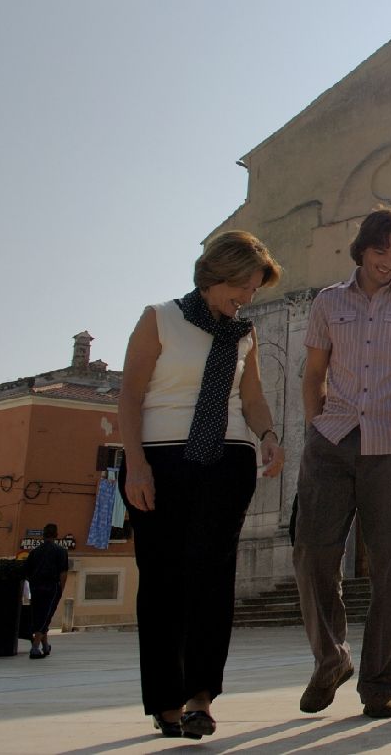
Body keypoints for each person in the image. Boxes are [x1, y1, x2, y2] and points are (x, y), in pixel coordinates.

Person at [119, 230, 287, 739]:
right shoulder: (159, 318)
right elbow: (129, 396)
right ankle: (165, 697)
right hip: (163, 459)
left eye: (255, 289)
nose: (248, 297)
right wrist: (136, 467)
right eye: (243, 286)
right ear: (216, 275)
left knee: (212, 581)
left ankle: (200, 697)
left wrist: (269, 434)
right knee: (164, 581)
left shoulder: (244, 333)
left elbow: (252, 396)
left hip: (229, 460)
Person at [294, 205, 391, 720]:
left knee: (389, 567)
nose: (389, 261)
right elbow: (313, 371)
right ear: (362, 250)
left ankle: (381, 686)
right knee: (313, 552)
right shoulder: (328, 302)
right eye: (381, 250)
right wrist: (315, 427)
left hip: (390, 446)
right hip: (332, 440)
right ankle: (332, 657)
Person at [24, 523, 68, 660]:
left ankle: (46, 646)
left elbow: (28, 572)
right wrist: (61, 589)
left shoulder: (34, 552)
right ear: (56, 535)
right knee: (46, 616)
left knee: (39, 614)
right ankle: (35, 647)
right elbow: (63, 573)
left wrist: (32, 586)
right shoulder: (60, 551)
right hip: (51, 586)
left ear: (43, 535)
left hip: (36, 586)